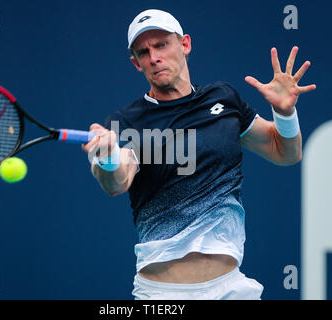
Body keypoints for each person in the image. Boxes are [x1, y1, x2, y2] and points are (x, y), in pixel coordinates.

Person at [81, 9, 316, 300]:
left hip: (231, 287)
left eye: (161, 45)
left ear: (185, 44)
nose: (154, 57)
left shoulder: (223, 99)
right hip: (163, 295)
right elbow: (116, 182)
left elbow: (286, 153)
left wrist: (284, 113)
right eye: (144, 52)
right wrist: (107, 157)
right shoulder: (128, 122)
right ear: (136, 64)